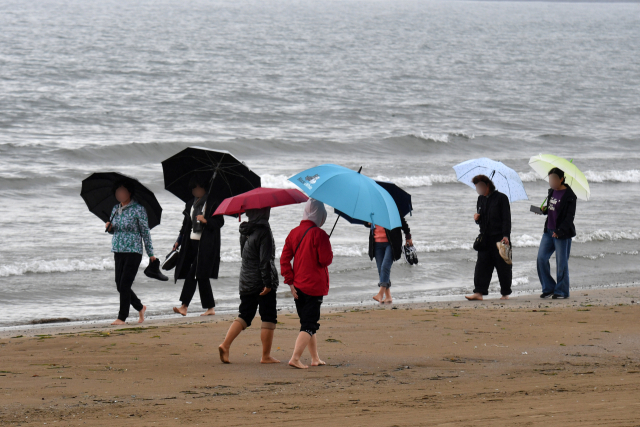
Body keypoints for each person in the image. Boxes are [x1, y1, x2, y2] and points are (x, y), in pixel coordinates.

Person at [218, 207, 280, 364]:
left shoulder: (245, 230)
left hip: (246, 279)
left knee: (245, 315)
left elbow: (244, 255)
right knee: (268, 316)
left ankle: (225, 345)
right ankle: (265, 356)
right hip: (260, 281)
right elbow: (265, 260)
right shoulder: (264, 231)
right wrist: (268, 282)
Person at [280, 199, 333, 369]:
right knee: (310, 324)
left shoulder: (294, 232)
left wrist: (290, 282)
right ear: (320, 215)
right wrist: (326, 244)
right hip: (314, 287)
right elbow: (325, 260)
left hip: (298, 287)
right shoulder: (320, 234)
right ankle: (295, 358)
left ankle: (315, 358)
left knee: (307, 324)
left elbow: (284, 260)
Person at [172, 174, 224, 316]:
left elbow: (220, 223)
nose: (195, 192)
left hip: (206, 245)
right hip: (191, 244)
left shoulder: (213, 203)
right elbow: (186, 224)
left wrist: (206, 220)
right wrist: (179, 240)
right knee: (201, 275)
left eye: (198, 189)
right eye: (193, 189)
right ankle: (210, 308)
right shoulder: (190, 204)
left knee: (193, 273)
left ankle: (184, 306)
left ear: (204, 188)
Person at [105, 179, 155, 325]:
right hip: (118, 249)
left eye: (123, 191)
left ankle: (122, 317)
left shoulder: (138, 209)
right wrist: (109, 228)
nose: (120, 194)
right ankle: (140, 307)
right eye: (117, 191)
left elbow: (145, 232)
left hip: (133, 250)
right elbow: (113, 231)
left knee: (125, 285)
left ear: (129, 192)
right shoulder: (115, 209)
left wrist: (151, 253)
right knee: (119, 284)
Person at [465, 174, 512, 301]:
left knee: (503, 267)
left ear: (487, 185)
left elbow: (506, 219)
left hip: (500, 238)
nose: (478, 190)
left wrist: (506, 236)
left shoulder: (501, 198)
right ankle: (479, 293)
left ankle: (505, 294)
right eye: (476, 187)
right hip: (485, 239)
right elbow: (482, 221)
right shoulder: (480, 199)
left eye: (479, 186)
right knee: (482, 266)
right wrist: (477, 219)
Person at [536, 167, 577, 299]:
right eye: (549, 179)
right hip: (548, 231)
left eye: (554, 179)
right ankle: (548, 288)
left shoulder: (570, 196)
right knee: (541, 259)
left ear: (561, 179)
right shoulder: (551, 191)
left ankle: (562, 291)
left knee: (561, 263)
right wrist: (544, 210)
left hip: (562, 233)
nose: (551, 181)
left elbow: (569, 218)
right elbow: (552, 210)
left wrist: (560, 231)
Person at [364, 218, 412, 304]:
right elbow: (364, 221)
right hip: (376, 243)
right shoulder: (372, 209)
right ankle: (388, 296)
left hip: (391, 243)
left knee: (385, 267)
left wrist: (408, 237)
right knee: (380, 269)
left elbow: (402, 221)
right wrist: (368, 222)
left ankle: (380, 293)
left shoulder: (392, 206)